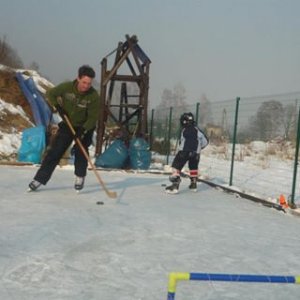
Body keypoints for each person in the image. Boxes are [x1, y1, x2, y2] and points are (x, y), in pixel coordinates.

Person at [28, 65, 100, 192]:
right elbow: (51, 94)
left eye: (89, 83)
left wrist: (83, 131)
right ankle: (39, 179)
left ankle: (80, 176)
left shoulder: (93, 96)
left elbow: (93, 117)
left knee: (80, 150)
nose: (86, 86)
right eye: (84, 82)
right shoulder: (66, 87)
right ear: (78, 78)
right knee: (56, 151)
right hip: (68, 124)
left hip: (85, 126)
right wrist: (58, 107)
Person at [165, 112, 209, 194]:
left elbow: (181, 142)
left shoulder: (184, 130)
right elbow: (206, 141)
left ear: (184, 121)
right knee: (193, 167)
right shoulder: (197, 130)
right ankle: (193, 184)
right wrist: (199, 147)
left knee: (176, 166)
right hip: (196, 153)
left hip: (184, 151)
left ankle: (175, 185)